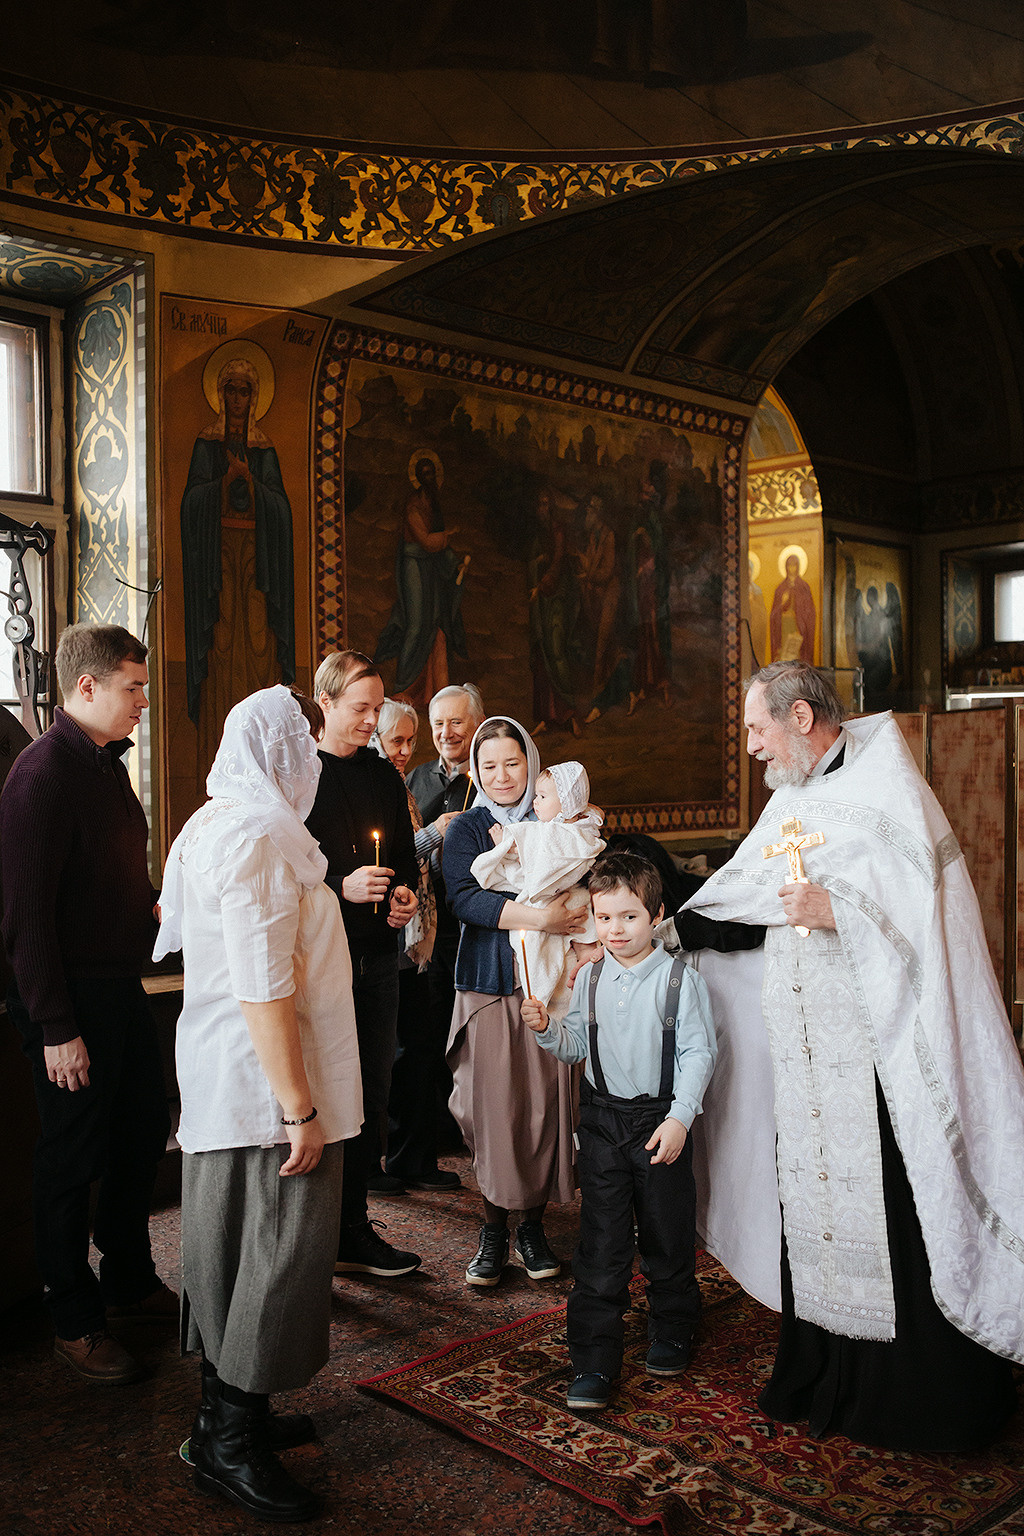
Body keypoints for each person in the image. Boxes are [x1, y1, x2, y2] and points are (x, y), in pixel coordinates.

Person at [675, 659, 1024, 1451]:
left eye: (758, 729)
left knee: (893, 1204)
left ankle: (920, 1399)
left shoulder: (888, 786)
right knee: (817, 1201)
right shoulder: (793, 798)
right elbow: (746, 895)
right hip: (809, 1058)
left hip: (882, 1057)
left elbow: (928, 915)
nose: (752, 747)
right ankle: (823, 1374)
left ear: (800, 718)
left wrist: (839, 910)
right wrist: (664, 931)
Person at [154, 685, 361, 1523]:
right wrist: (298, 1109)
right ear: (277, 754)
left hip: (235, 1079)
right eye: (303, 748)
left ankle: (229, 1412)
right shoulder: (257, 841)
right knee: (276, 1254)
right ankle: (228, 1443)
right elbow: (262, 984)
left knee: (236, 1249)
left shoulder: (220, 821)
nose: (312, 763)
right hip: (262, 1088)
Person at [0, 623, 174, 1386]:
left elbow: (111, 879)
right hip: (66, 1000)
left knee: (141, 1131)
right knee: (71, 1158)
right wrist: (55, 1028)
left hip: (117, 985)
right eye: (134, 687)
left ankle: (128, 1278)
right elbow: (26, 919)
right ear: (88, 686)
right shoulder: (42, 776)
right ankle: (73, 1317)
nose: (144, 701)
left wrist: (159, 912)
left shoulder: (104, 765)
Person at [523, 852, 716, 1411]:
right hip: (603, 1122)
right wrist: (547, 1029)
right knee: (601, 1244)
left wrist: (681, 1117)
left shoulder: (681, 980)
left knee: (666, 1235)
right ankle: (593, 1358)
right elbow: (575, 1047)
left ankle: (673, 1328)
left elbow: (699, 1054)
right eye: (604, 918)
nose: (615, 930)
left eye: (629, 917)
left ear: (656, 916)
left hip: (661, 1124)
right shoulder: (589, 977)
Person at [443, 716, 588, 1286]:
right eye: (489, 766)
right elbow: (464, 899)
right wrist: (540, 917)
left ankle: (532, 1227)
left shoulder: (559, 824)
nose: (501, 776)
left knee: (542, 1108)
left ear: (531, 763)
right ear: (475, 773)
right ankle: (493, 1228)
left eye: (512, 763)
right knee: (493, 1110)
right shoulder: (469, 828)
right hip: (488, 981)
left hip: (548, 986)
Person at [305, 650, 422, 1277]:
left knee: (371, 1092)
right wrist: (338, 886)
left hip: (377, 956)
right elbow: (283, 871)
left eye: (377, 707)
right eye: (360, 708)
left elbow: (404, 856)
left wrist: (404, 895)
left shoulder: (382, 775)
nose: (372, 720)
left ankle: (353, 1226)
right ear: (325, 703)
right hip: (320, 960)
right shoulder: (299, 773)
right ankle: (313, 1231)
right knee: (325, 1091)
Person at [180, 355, 295, 777]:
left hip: (259, 565)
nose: (237, 398)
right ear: (221, 394)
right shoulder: (207, 444)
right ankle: (219, 750)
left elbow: (282, 509)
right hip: (219, 564)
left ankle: (267, 760)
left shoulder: (263, 447)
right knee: (222, 639)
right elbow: (190, 503)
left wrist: (254, 485)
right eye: (230, 389)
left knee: (261, 643)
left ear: (254, 397)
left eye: (244, 391)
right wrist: (223, 485)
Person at [370, 696, 461, 1191]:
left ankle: (412, 1159)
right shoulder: (374, 781)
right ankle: (385, 1161)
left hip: (416, 939)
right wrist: (433, 835)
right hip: (391, 938)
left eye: (410, 741)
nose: (405, 750)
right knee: (396, 1053)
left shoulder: (397, 782)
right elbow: (392, 856)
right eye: (396, 741)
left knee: (418, 1050)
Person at [406, 683, 485, 1150]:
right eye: (438, 723)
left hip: (477, 926)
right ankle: (437, 1133)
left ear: (477, 724)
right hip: (429, 930)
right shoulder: (415, 780)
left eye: (457, 721)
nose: (447, 732)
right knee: (431, 1030)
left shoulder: (491, 779)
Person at [470, 760, 604, 1020]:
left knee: (545, 945)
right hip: (568, 899)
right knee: (574, 941)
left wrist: (505, 843)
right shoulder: (580, 825)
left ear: (566, 803)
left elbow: (536, 854)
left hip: (568, 896)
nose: (535, 802)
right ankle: (561, 994)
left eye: (542, 797)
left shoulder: (558, 831)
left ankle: (550, 993)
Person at [374, 451, 470, 711]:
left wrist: (454, 565)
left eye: (432, 473)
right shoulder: (414, 506)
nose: (429, 478)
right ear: (417, 477)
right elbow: (427, 541)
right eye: (424, 474)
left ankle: (437, 692)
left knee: (438, 626)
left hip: (431, 568)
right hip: (414, 567)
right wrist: (448, 535)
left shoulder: (434, 506)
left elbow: (437, 546)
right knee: (417, 625)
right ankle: (403, 689)